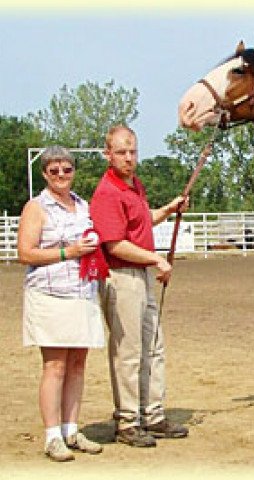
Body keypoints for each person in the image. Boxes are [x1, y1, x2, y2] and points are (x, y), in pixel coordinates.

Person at [90, 125, 189, 448]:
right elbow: (115, 244)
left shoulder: (134, 186)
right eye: (121, 152)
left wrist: (168, 210)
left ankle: (153, 412)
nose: (129, 158)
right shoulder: (107, 192)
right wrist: (156, 259)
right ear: (108, 154)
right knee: (129, 351)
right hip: (122, 277)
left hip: (141, 276)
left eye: (132, 151)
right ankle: (128, 419)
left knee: (154, 346)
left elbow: (140, 222)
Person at [18, 145, 105, 462]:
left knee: (77, 365)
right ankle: (52, 435)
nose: (61, 176)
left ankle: (71, 428)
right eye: (54, 170)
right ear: (44, 173)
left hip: (82, 292)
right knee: (54, 366)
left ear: (74, 171)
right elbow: (25, 253)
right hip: (50, 294)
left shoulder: (83, 206)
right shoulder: (36, 208)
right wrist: (69, 252)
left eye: (66, 169)